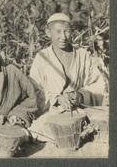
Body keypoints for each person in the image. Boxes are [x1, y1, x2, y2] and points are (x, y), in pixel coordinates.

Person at [28, 13, 105, 141]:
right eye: (58, 32)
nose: (63, 37)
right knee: (39, 132)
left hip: (82, 110)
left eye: (67, 31)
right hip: (52, 112)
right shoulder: (42, 57)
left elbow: (97, 84)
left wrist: (80, 95)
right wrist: (56, 98)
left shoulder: (82, 55)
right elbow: (34, 90)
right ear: (48, 32)